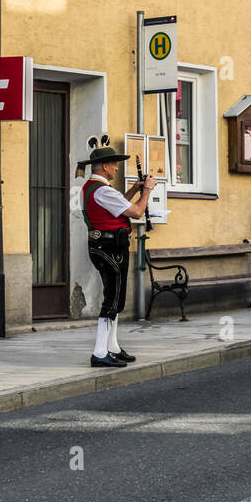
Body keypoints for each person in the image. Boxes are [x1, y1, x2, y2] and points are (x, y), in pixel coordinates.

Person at [76, 136, 156, 368]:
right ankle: (100, 352)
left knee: (115, 295)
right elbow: (136, 212)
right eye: (113, 164)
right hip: (111, 248)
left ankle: (112, 347)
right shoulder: (102, 190)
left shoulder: (94, 188)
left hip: (104, 247)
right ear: (104, 166)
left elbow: (117, 205)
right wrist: (147, 191)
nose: (116, 167)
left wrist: (133, 189)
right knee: (112, 300)